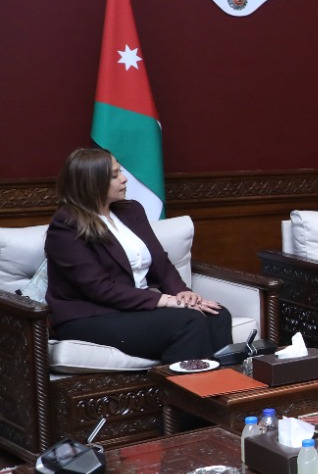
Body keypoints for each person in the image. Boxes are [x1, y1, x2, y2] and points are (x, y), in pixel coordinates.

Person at [44, 148, 231, 364]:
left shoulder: (131, 211)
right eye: (114, 175)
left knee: (218, 315)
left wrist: (182, 293)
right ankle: (180, 385)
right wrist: (166, 300)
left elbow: (160, 263)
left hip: (134, 308)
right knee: (188, 321)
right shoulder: (66, 225)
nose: (124, 179)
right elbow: (100, 288)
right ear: (92, 182)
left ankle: (220, 384)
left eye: (120, 172)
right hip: (90, 316)